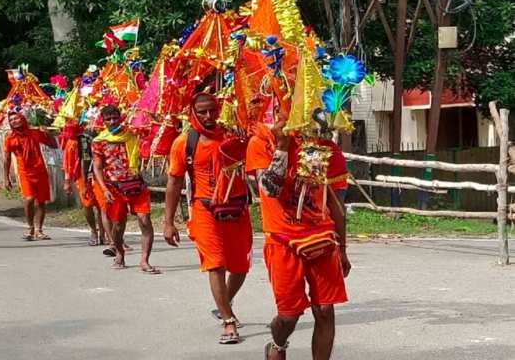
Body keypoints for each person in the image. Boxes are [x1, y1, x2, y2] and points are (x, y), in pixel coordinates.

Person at [245, 115, 351, 360]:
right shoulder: (261, 142)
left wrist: (343, 248)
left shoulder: (325, 148)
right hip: (283, 242)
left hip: (322, 239)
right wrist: (281, 147)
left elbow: (336, 203)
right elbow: (269, 190)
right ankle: (277, 345)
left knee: (325, 310)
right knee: (288, 316)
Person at [164, 92, 253, 344]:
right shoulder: (184, 142)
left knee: (240, 267)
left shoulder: (233, 135)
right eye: (202, 111)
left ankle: (223, 301)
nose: (208, 116)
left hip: (237, 209)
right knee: (215, 264)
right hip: (204, 211)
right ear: (192, 112)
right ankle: (228, 322)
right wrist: (169, 222)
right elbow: (174, 182)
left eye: (212, 110)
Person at [91, 105, 158, 273]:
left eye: (115, 118)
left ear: (121, 117)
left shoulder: (133, 134)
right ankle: (119, 252)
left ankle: (144, 261)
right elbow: (97, 168)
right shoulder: (99, 142)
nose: (113, 121)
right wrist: (104, 189)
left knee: (145, 221)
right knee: (118, 226)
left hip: (137, 186)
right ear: (103, 122)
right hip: (115, 189)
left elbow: (152, 131)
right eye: (108, 119)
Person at [4, 112, 57, 241]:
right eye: (11, 120)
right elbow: (6, 160)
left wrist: (46, 133)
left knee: (41, 201)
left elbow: (54, 145)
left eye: (16, 118)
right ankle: (30, 227)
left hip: (40, 170)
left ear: (22, 119)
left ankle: (39, 230)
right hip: (25, 172)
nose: (15, 121)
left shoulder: (35, 133)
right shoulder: (10, 138)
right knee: (29, 199)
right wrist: (6, 178)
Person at [61, 120, 106, 246]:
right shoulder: (71, 144)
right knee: (88, 204)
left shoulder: (92, 138)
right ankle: (93, 231)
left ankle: (104, 233)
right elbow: (68, 165)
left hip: (98, 174)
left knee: (102, 205)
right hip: (82, 177)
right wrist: (67, 181)